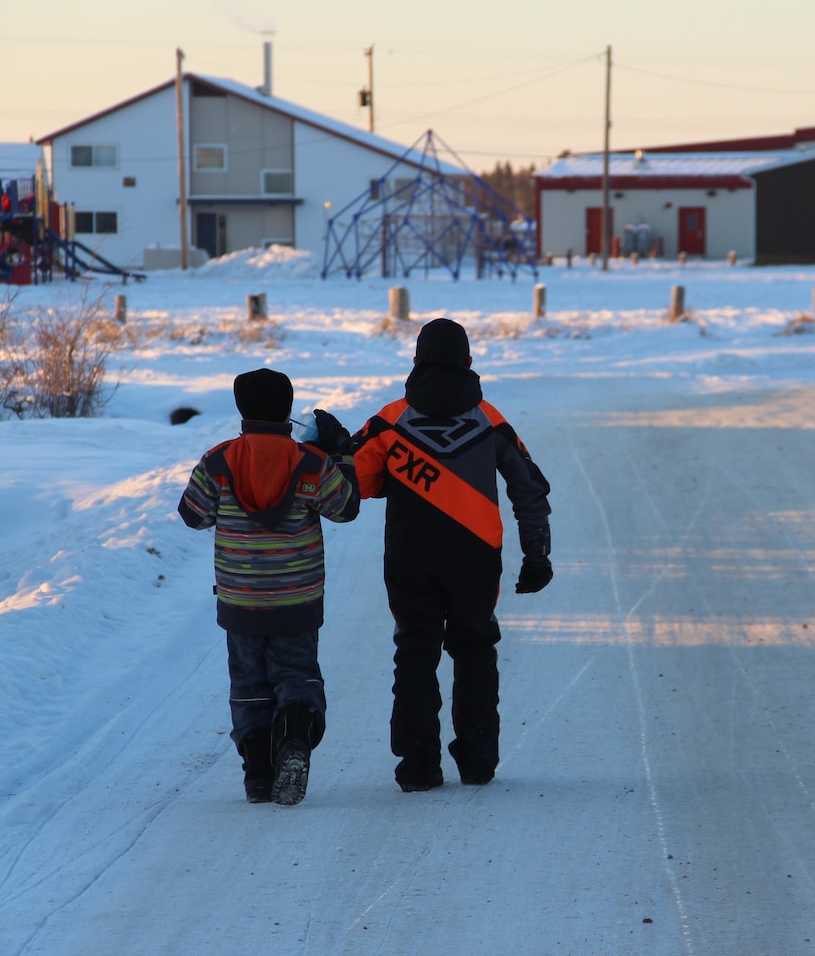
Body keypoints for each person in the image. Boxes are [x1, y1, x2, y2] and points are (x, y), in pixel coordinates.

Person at [352, 318, 552, 792]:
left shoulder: (388, 419)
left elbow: (353, 484)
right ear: (468, 362)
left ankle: (419, 767)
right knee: (476, 650)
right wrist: (537, 553)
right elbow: (530, 489)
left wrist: (397, 474)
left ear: (416, 360)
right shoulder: (491, 419)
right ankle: (478, 761)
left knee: (415, 652)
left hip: (409, 555)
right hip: (476, 556)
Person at [177, 368, 359, 805]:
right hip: (297, 599)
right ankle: (294, 738)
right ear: (287, 408)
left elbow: (192, 515)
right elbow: (346, 508)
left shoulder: (218, 460)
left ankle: (258, 774)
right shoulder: (310, 463)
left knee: (248, 684)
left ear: (242, 408)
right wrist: (341, 455)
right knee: (295, 675)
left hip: (241, 600)